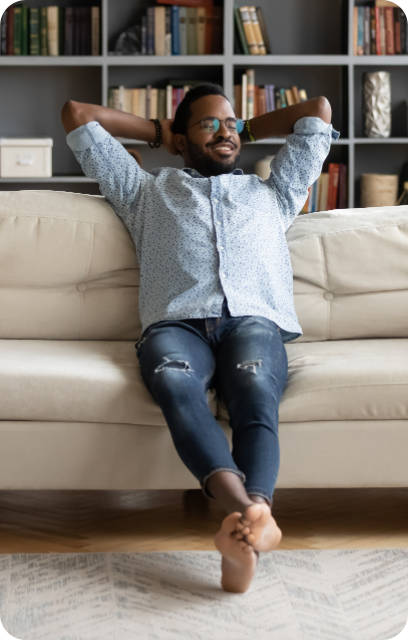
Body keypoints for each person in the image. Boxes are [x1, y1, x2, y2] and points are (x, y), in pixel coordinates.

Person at [61, 83, 338, 594]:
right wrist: (156, 132)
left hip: (254, 321)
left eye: (231, 124)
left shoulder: (274, 193)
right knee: (173, 383)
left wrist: (244, 127)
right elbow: (77, 114)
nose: (225, 130)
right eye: (208, 123)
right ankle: (252, 514)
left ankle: (242, 537)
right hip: (176, 327)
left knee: (255, 391)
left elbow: (317, 112)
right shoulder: (145, 191)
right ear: (182, 140)